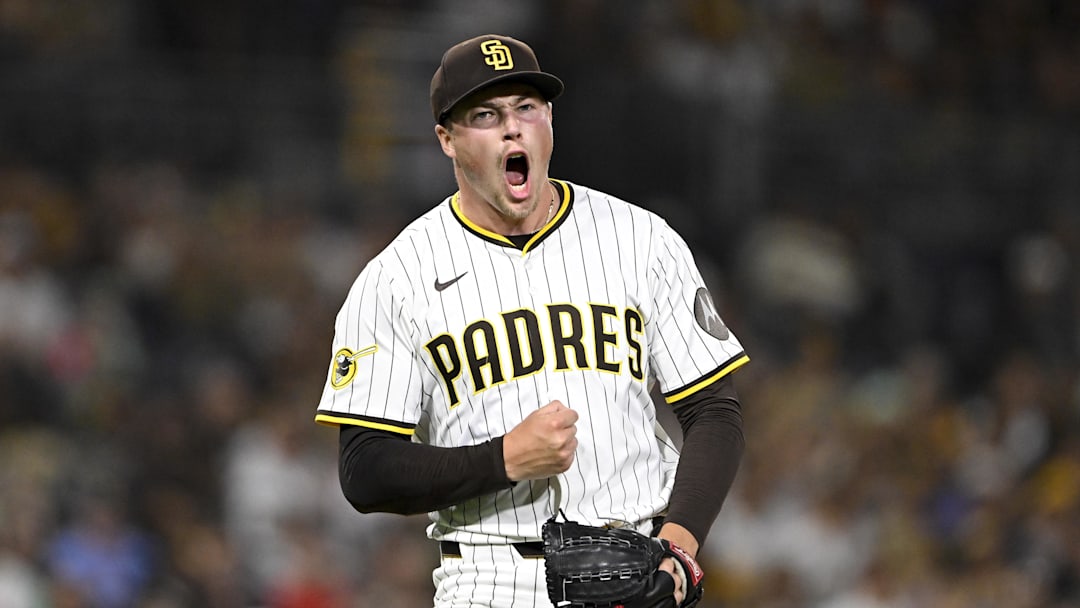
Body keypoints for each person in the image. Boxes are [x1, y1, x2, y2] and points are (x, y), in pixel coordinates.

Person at [314, 34, 749, 607]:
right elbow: (365, 469)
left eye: (527, 107)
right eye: (486, 115)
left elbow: (714, 410)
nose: (512, 127)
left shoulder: (642, 240)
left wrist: (680, 548)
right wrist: (503, 459)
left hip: (638, 568)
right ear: (447, 139)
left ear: (550, 120)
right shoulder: (396, 277)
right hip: (489, 581)